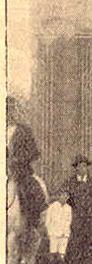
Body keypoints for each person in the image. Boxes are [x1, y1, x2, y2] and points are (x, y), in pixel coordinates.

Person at [6, 96, 48, 231]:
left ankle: (33, 223)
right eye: (6, 109)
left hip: (20, 171)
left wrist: (17, 161)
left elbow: (33, 152)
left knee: (31, 188)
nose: (9, 113)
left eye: (11, 109)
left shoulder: (24, 131)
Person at [63, 155, 92, 264]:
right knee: (75, 244)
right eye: (79, 166)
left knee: (90, 244)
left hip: (91, 219)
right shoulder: (70, 183)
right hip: (76, 219)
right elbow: (65, 199)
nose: (82, 169)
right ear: (75, 168)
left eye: (84, 166)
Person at [45, 189, 72, 264]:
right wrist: (50, 232)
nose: (64, 198)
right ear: (59, 196)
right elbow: (48, 221)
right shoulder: (53, 207)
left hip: (64, 234)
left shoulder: (68, 208)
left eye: (66, 196)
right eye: (63, 195)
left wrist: (66, 232)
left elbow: (68, 221)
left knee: (62, 254)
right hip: (54, 233)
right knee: (53, 253)